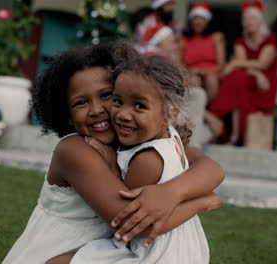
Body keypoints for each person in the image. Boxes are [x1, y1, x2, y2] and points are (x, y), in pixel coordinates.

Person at [2, 42, 224, 264]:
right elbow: (128, 222)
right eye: (81, 103)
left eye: (108, 96)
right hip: (55, 253)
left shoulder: (137, 139)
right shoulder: (74, 149)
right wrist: (200, 202)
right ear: (67, 114)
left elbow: (212, 168)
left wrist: (171, 193)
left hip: (107, 253)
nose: (97, 110)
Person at [70, 53, 209, 263]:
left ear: (170, 114)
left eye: (139, 106)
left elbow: (126, 217)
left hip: (151, 252)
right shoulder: (170, 136)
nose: (123, 115)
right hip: (183, 248)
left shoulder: (148, 160)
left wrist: (108, 158)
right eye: (118, 101)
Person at [206, 0, 277, 145]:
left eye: (252, 18)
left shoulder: (270, 40)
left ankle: (218, 118)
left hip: (264, 85)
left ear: (260, 21)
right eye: (246, 19)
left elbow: (263, 64)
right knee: (237, 78)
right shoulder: (240, 41)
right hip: (249, 80)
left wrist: (235, 63)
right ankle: (234, 133)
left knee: (236, 78)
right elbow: (244, 66)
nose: (249, 22)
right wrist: (253, 71)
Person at [179, 2, 226, 103]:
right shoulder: (183, 40)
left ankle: (205, 111)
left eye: (202, 19)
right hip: (190, 73)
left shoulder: (216, 37)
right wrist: (189, 72)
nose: (198, 22)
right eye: (196, 18)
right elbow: (178, 63)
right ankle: (196, 110)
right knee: (194, 81)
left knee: (211, 80)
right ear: (191, 21)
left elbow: (221, 64)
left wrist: (204, 72)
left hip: (212, 72)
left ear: (207, 21)